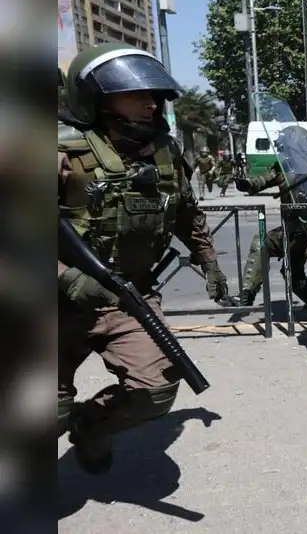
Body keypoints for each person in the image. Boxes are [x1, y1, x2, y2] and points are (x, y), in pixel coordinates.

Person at [58, 42, 231, 474]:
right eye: (136, 94)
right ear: (96, 97)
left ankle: (91, 424)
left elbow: (187, 213)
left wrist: (209, 261)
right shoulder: (60, 153)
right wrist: (71, 281)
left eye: (154, 94)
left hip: (127, 296)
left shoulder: (164, 152)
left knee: (156, 392)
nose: (151, 102)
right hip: (52, 306)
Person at [234, 126, 307, 321]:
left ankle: (247, 294)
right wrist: (249, 183)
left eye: (286, 145)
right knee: (293, 276)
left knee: (262, 243)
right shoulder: (284, 166)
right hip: (291, 227)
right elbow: (264, 179)